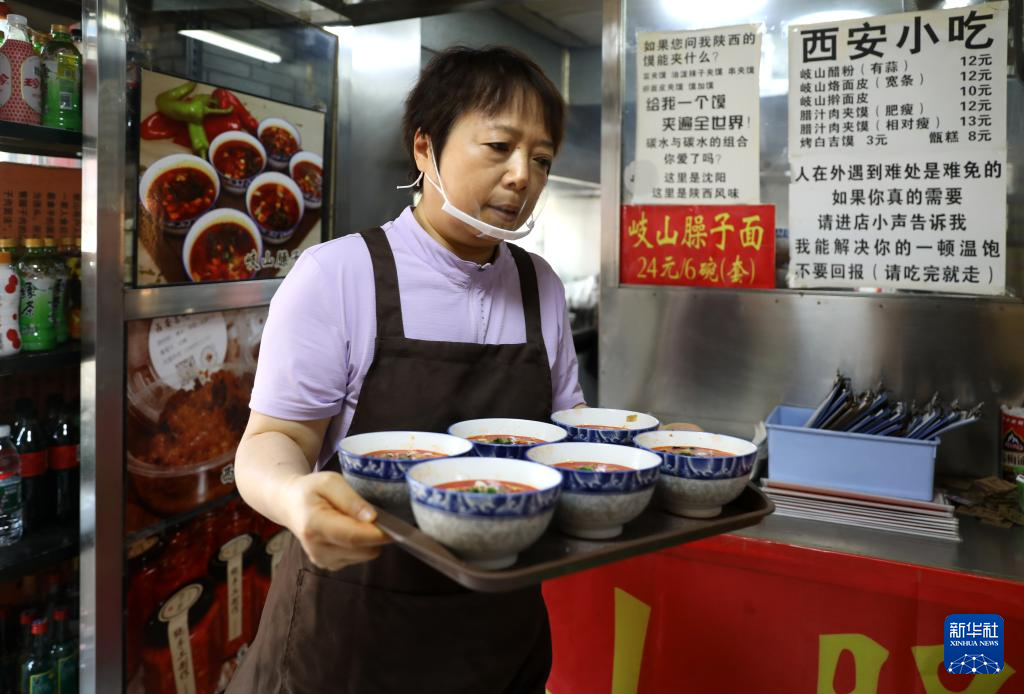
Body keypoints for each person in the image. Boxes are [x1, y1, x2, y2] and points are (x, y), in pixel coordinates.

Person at [229, 46, 585, 693]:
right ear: (425, 148)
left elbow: (566, 432)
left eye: (541, 160)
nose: (521, 177)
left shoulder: (542, 288)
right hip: (353, 631)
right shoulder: (338, 276)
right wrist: (290, 496)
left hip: (497, 628)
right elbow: (272, 442)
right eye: (499, 146)